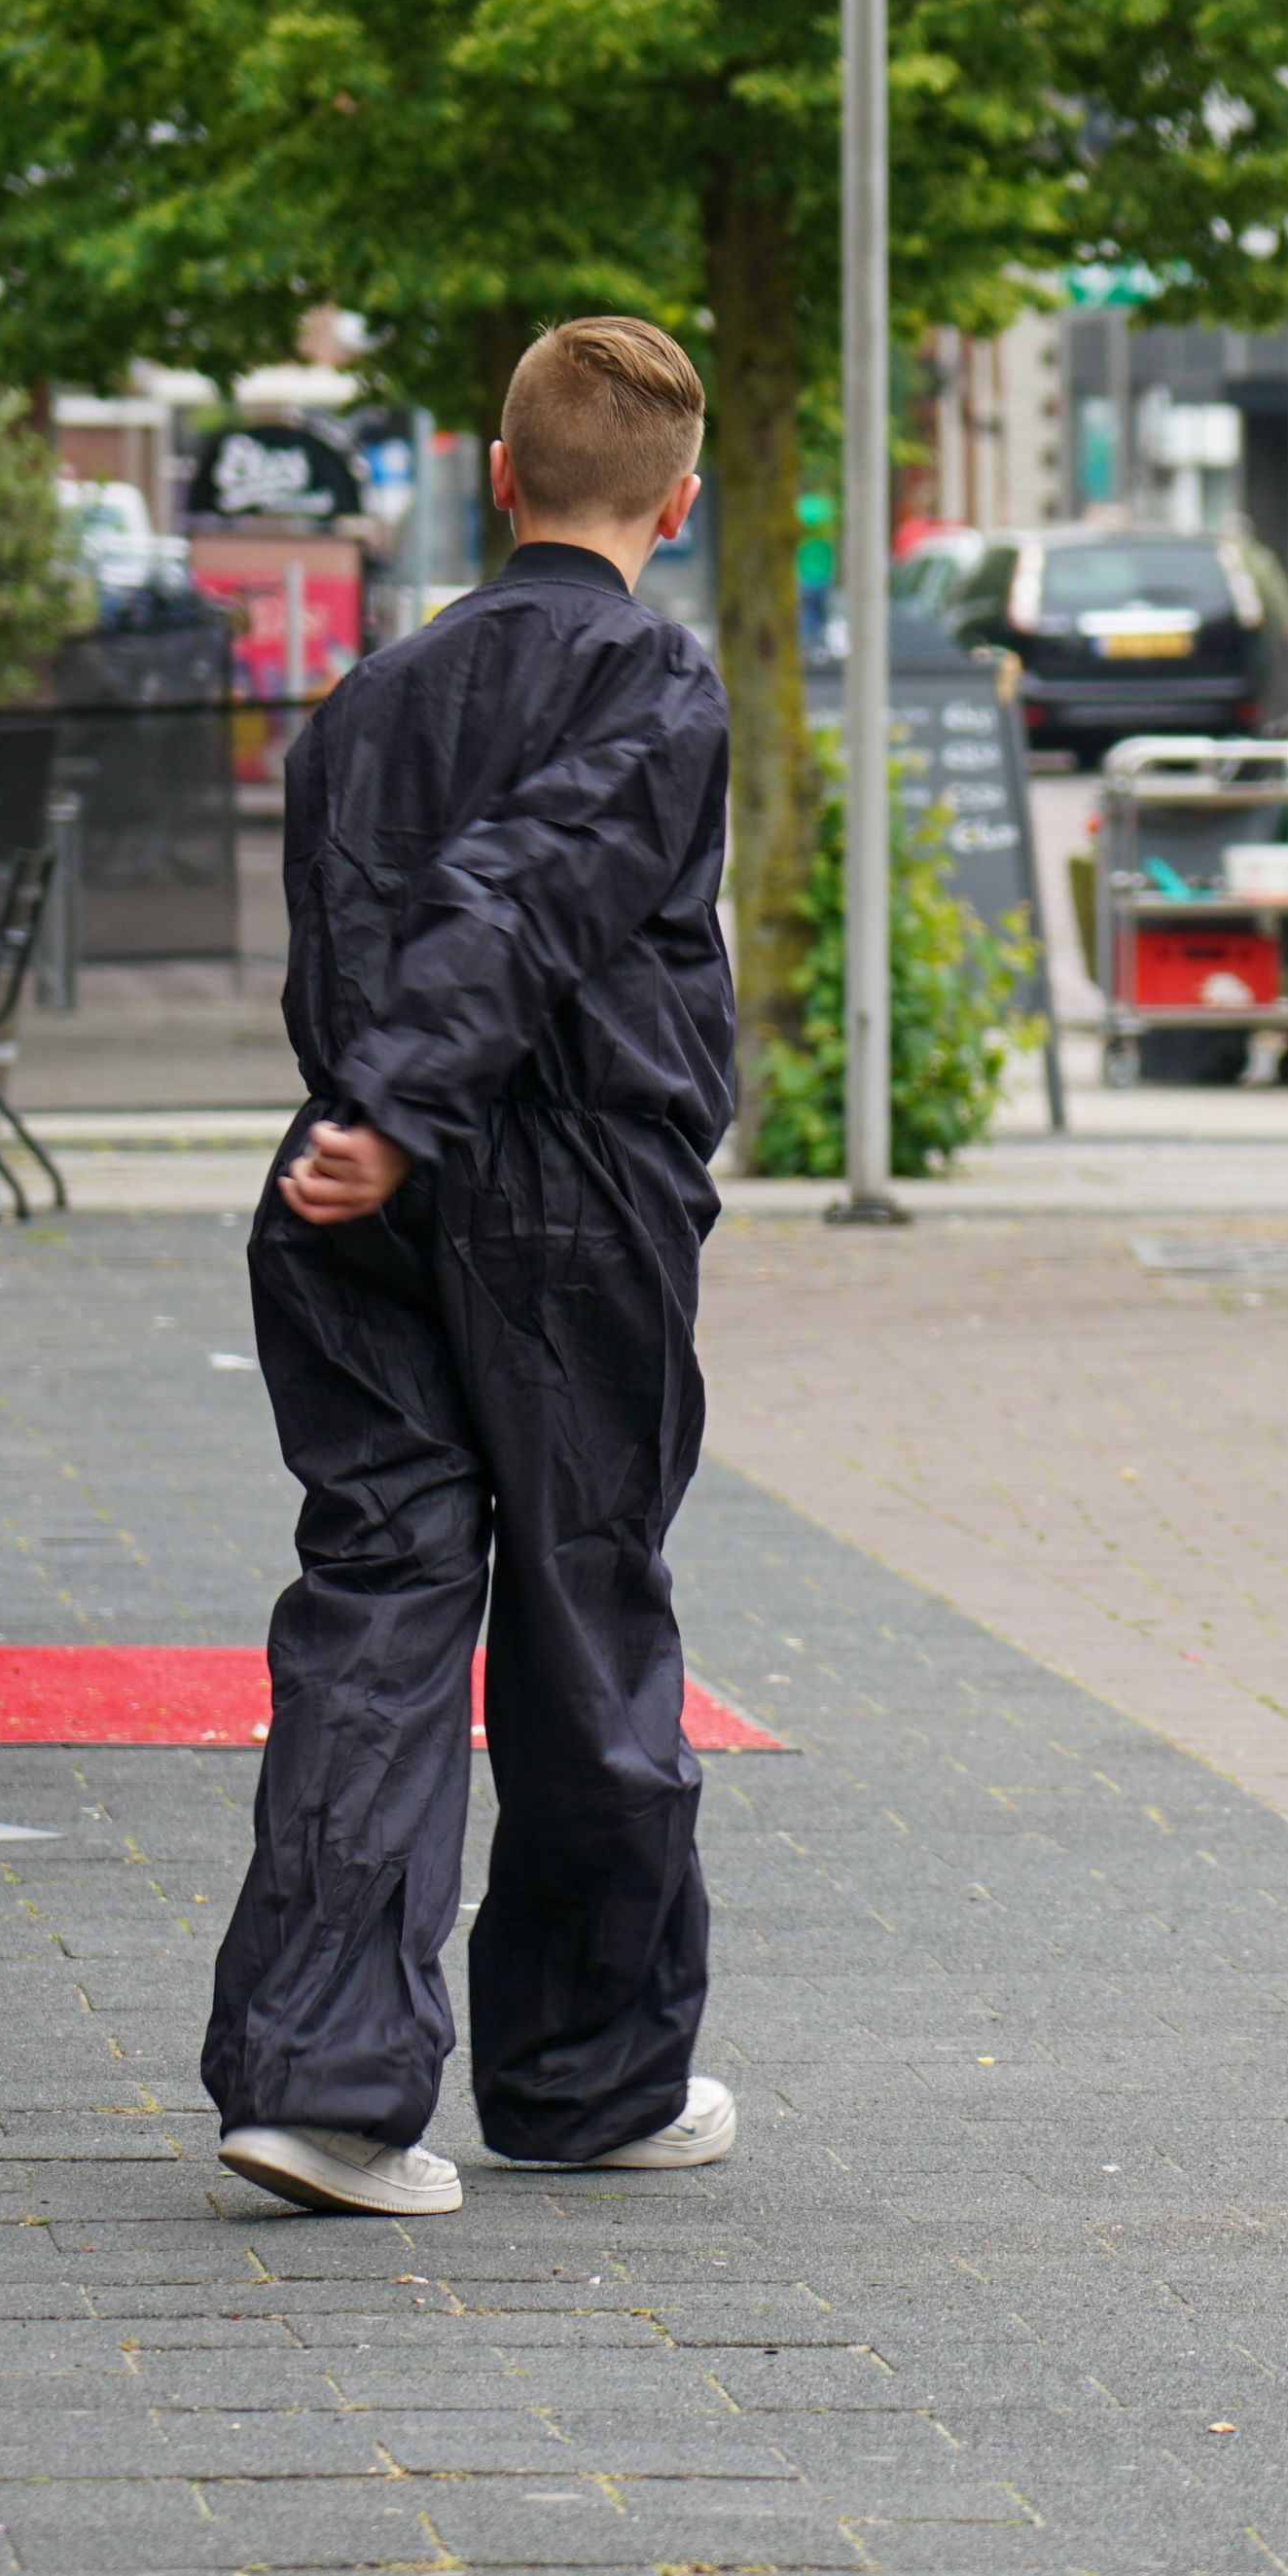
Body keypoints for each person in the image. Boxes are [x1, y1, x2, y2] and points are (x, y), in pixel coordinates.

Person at [208, 316, 740, 2220]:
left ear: (498, 476)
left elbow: (376, 921)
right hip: (563, 1191)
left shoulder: (376, 691)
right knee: (586, 1609)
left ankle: (321, 2087)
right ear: (679, 502)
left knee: (378, 1595)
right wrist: (412, 1103)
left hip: (353, 1187)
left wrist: (370, 1114)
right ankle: (586, 2079)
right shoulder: (654, 678)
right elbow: (539, 879)